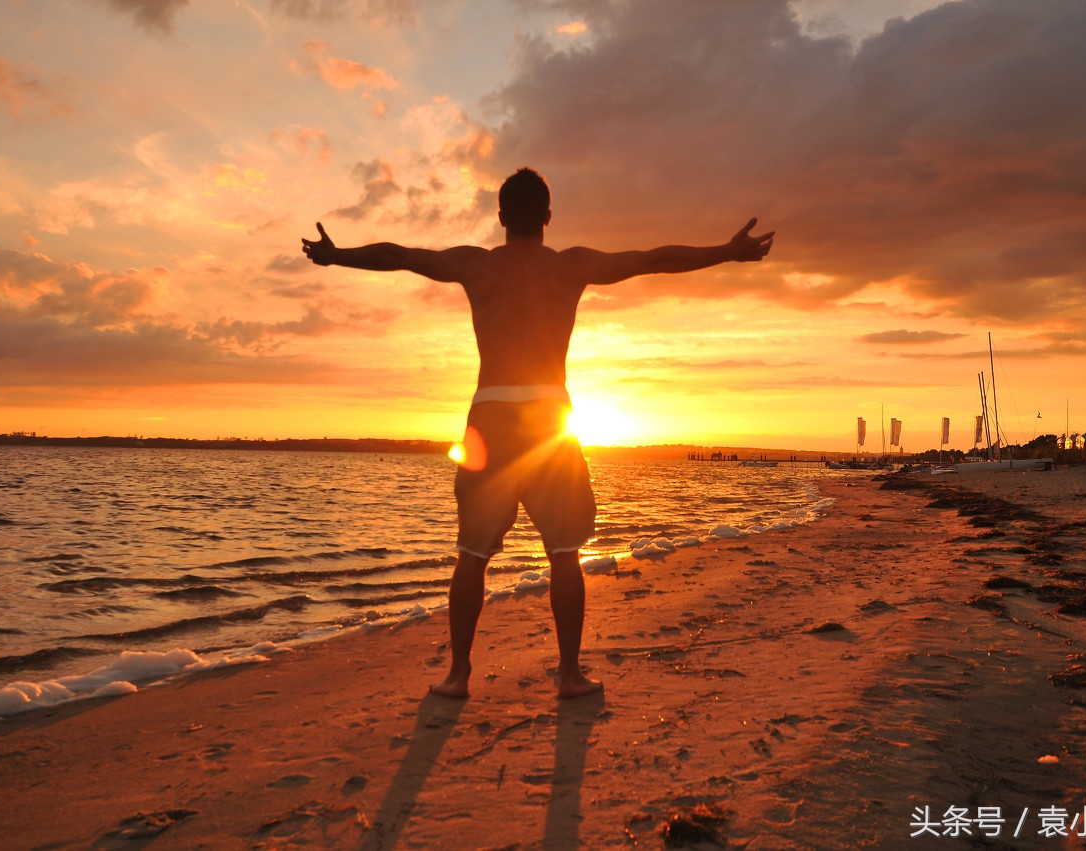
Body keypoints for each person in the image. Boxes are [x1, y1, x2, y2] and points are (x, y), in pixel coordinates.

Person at [303, 167, 773, 699]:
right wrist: (726, 251)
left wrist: (336, 255)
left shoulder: (474, 265)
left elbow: (399, 254)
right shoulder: (570, 267)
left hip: (492, 414)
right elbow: (653, 260)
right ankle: (569, 675)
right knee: (564, 552)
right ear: (548, 217)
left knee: (472, 554)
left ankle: (458, 676)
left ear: (501, 217)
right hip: (550, 417)